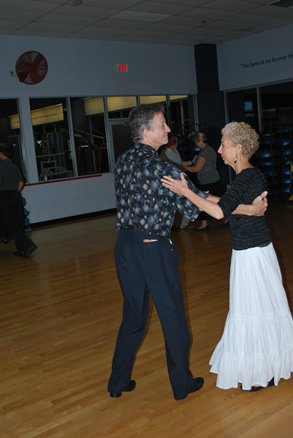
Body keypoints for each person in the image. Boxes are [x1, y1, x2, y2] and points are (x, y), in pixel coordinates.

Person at [107, 105, 268, 400]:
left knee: (133, 317)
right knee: (173, 318)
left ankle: (117, 383)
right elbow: (198, 207)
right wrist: (248, 208)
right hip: (153, 249)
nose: (168, 130)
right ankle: (181, 385)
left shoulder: (124, 160)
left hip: (125, 248)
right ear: (147, 133)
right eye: (162, 125)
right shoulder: (164, 168)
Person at [161, 122, 293, 392]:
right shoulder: (249, 176)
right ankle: (265, 368)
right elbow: (230, 204)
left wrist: (185, 191)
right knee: (258, 309)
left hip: (252, 255)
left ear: (239, 149)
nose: (219, 149)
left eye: (224, 144)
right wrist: (209, 196)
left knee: (252, 310)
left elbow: (220, 212)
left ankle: (261, 372)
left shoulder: (246, 176)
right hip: (254, 250)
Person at [183, 132, 227, 230]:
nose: (196, 144)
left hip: (207, 181)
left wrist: (183, 168)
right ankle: (227, 219)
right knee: (220, 201)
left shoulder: (204, 153)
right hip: (215, 179)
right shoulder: (211, 150)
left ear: (200, 141)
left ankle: (204, 224)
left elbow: (196, 168)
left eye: (196, 142)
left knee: (204, 201)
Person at [0, 143, 37, 257]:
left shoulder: (1, 166)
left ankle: (27, 245)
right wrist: (16, 192)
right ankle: (21, 249)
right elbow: (21, 183)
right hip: (15, 195)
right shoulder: (15, 166)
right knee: (18, 223)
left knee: (11, 224)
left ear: (1, 154)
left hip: (4, 196)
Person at [160, 132, 197, 231]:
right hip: (171, 183)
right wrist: (188, 168)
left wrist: (191, 162)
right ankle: (176, 225)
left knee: (182, 202)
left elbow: (180, 164)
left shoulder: (176, 152)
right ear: (167, 142)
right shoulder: (165, 153)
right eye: (173, 142)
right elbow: (173, 166)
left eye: (176, 141)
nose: (176, 144)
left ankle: (181, 225)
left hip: (178, 182)